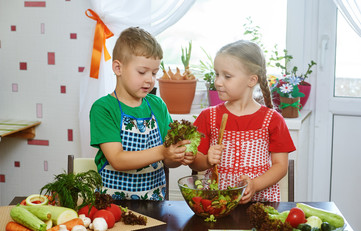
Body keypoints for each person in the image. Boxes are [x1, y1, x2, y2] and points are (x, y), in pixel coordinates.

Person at [89, 27, 193, 201]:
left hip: (155, 205)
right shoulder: (104, 108)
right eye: (142, 72)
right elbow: (118, 160)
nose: (149, 79)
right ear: (118, 68)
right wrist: (164, 151)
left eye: (154, 73)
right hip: (112, 206)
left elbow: (168, 161)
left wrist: (178, 155)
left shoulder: (157, 105)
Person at [189, 40, 296, 203]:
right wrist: (206, 160)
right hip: (218, 205)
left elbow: (280, 166)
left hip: (260, 204)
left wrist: (255, 184)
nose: (217, 81)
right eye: (217, 74)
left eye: (227, 76)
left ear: (252, 80)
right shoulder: (207, 117)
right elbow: (194, 162)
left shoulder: (272, 120)